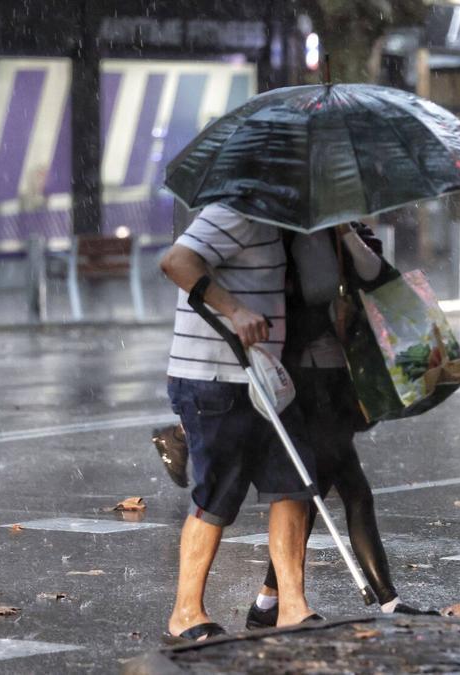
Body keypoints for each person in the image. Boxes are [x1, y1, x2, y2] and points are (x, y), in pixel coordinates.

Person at [154, 221, 435, 629]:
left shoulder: (328, 227)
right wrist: (244, 312)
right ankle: (376, 600)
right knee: (322, 486)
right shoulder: (271, 229)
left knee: (301, 488)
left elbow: (375, 274)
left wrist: (344, 232)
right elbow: (186, 266)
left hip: (334, 377)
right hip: (295, 378)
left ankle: (278, 603)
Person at [158, 202, 321, 642]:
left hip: (264, 378)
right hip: (214, 378)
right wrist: (235, 311)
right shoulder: (236, 210)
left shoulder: (272, 218)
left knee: (293, 484)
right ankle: (185, 612)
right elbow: (177, 261)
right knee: (218, 493)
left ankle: (292, 606)